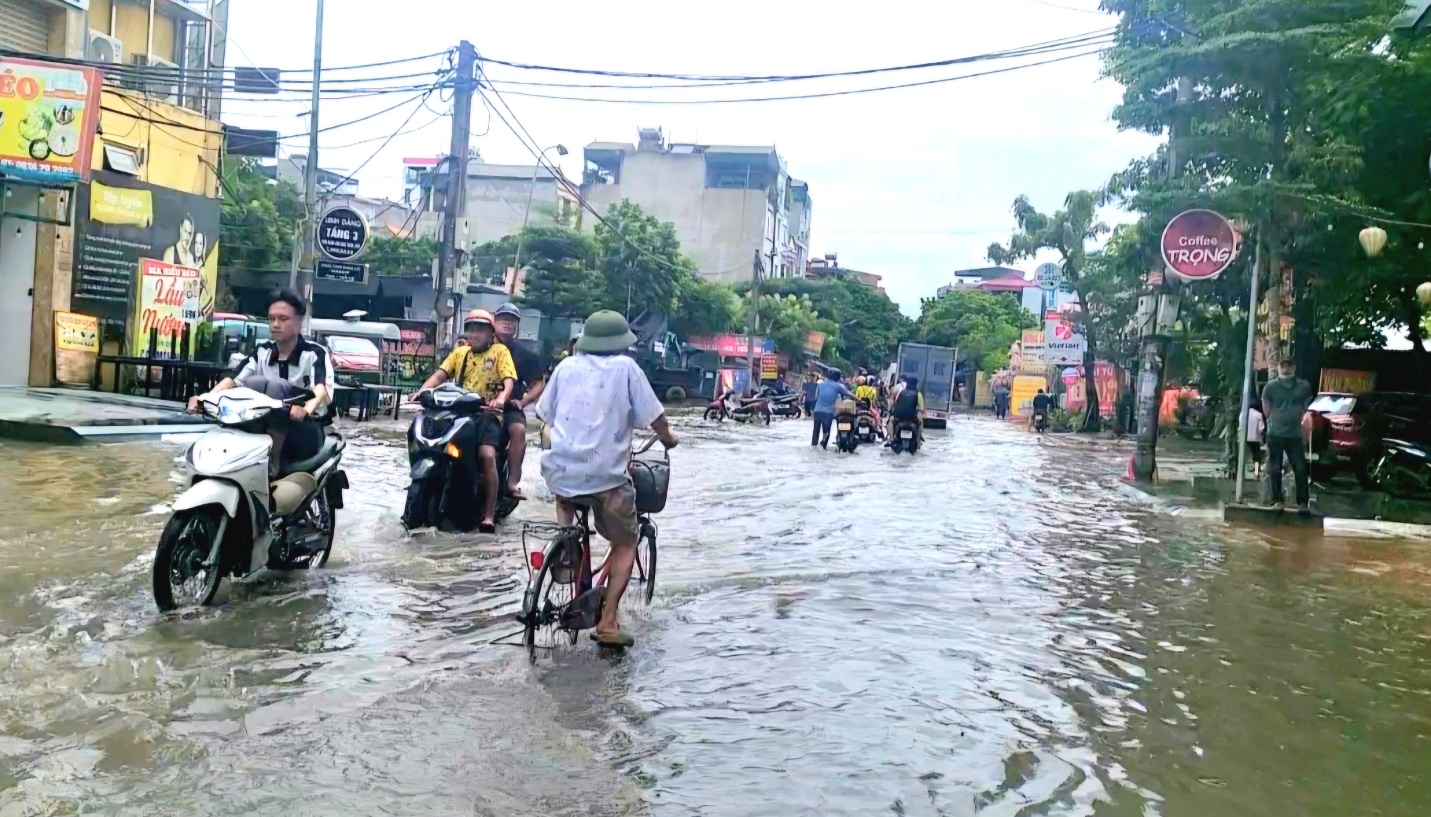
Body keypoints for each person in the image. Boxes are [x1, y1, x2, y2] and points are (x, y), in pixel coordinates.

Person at [536, 310, 679, 648]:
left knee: (564, 493)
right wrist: (668, 436)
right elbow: (655, 416)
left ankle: (566, 541)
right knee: (626, 541)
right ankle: (608, 621)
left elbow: (544, 414)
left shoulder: (566, 366)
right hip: (606, 477)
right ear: (620, 343)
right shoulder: (626, 368)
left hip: (561, 470)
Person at [187, 289, 333, 478]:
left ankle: (272, 463)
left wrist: (305, 409)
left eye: (283, 319)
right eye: (271, 318)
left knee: (276, 386)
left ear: (299, 322)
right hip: (262, 428)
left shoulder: (314, 354)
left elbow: (319, 388)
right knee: (253, 382)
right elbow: (233, 380)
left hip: (304, 431)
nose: (275, 324)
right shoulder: (262, 352)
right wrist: (204, 399)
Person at [416, 309, 517, 532]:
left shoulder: (500, 351)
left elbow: (509, 380)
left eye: (480, 330)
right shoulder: (460, 353)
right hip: (456, 415)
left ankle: (489, 514)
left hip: (486, 415)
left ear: (491, 332)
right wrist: (421, 391)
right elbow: (440, 375)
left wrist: (500, 399)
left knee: (486, 455)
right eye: (471, 329)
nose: (474, 334)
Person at [492, 302, 545, 500]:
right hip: (478, 404)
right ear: (493, 322)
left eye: (512, 320)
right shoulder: (479, 347)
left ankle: (512, 482)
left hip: (509, 407)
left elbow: (539, 383)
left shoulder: (526, 355)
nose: (507, 323)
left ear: (517, 326)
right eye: (503, 319)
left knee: (519, 431)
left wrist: (523, 401)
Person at [1261, 359, 1313, 511]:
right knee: (1274, 468)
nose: (1285, 368)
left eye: (1288, 365)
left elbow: (1306, 407)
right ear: (1278, 368)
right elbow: (1266, 407)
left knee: (1300, 468)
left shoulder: (1303, 386)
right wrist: (1275, 420)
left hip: (1295, 433)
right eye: (1282, 365)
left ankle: (1302, 502)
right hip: (1275, 433)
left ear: (1294, 368)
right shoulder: (1270, 386)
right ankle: (1277, 500)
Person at [811, 370, 854, 448]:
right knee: (826, 432)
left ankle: (814, 447)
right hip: (828, 413)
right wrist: (860, 400)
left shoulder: (820, 385)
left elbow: (816, 397)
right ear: (837, 377)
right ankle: (823, 447)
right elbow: (849, 394)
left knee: (815, 431)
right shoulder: (838, 386)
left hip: (817, 411)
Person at [886, 376, 925, 441]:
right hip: (912, 417)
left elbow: (896, 403)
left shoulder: (901, 392)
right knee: (920, 423)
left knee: (890, 421)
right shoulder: (918, 394)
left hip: (899, 416)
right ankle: (918, 440)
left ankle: (891, 438)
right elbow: (921, 408)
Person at [1242, 401, 1266, 478]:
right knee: (1256, 455)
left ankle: (1241, 471)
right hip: (1255, 438)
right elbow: (1261, 428)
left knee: (1243, 454)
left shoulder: (1243, 414)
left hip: (1244, 438)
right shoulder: (1258, 415)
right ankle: (1256, 471)